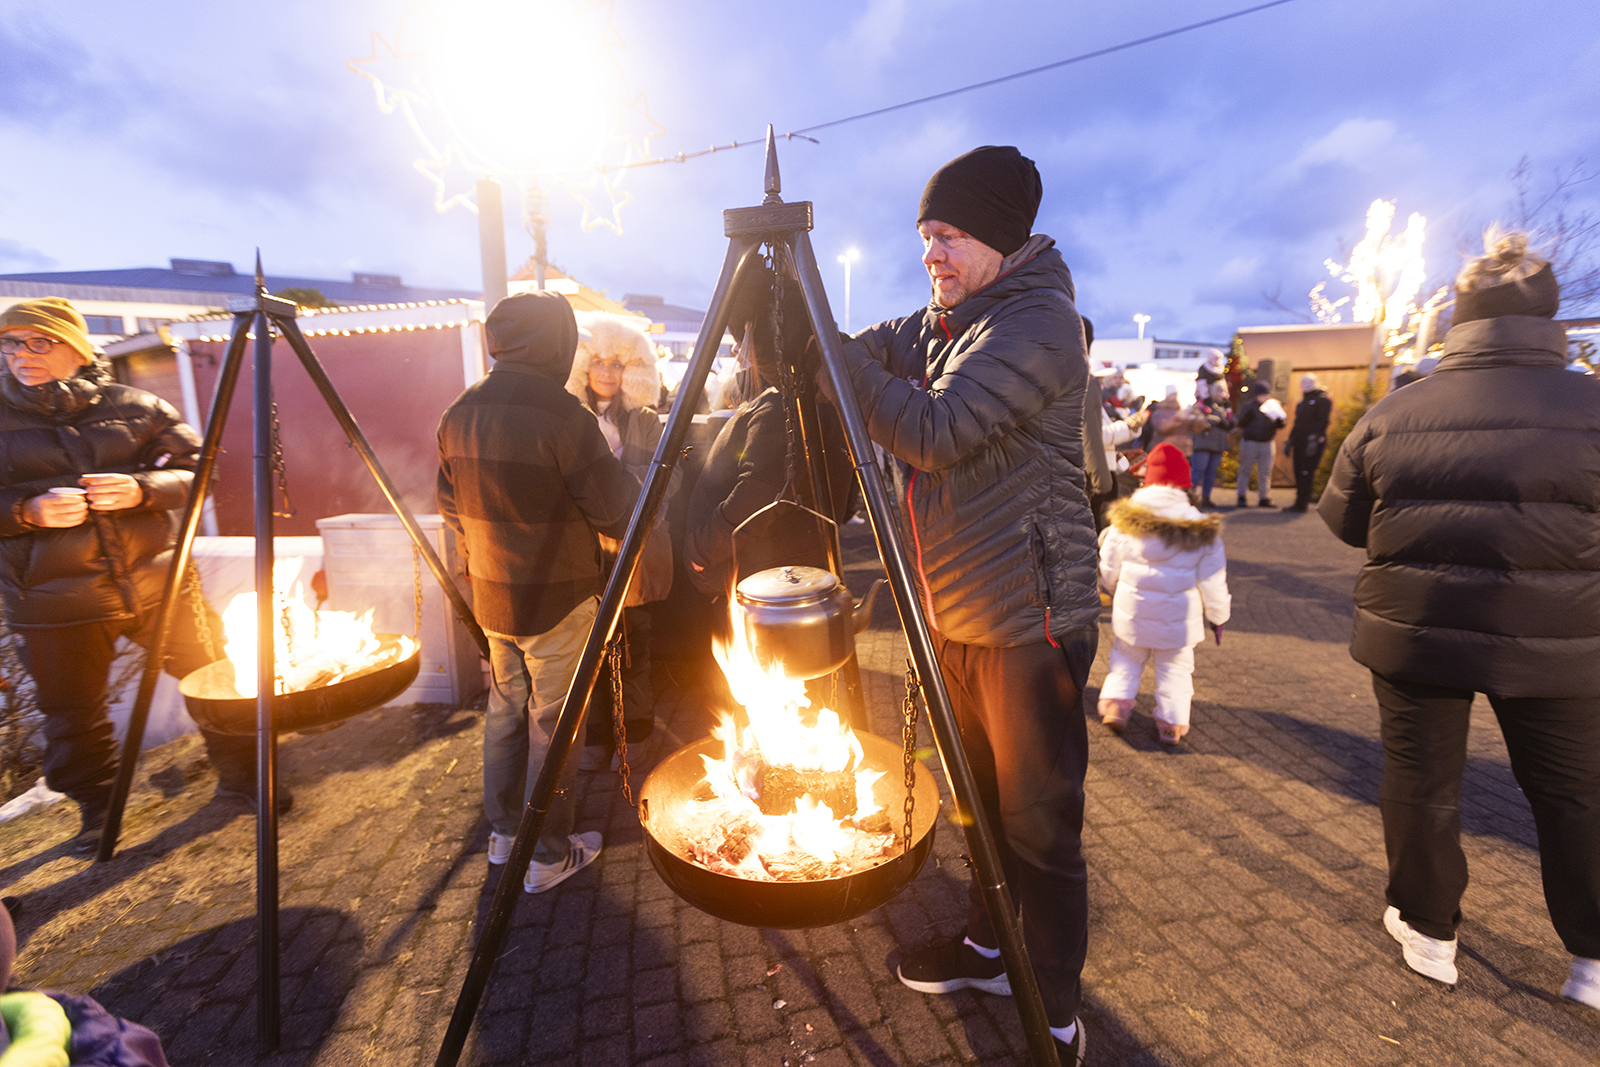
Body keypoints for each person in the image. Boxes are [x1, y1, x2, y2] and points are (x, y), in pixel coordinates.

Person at [827, 145, 1099, 1064]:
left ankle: (1056, 1011)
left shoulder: (1040, 324)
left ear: (997, 236)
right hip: (954, 615)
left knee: (1041, 826)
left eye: (947, 234)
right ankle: (989, 950)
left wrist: (830, 354)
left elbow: (934, 433)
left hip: (1030, 622)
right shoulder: (949, 319)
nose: (931, 253)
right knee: (979, 806)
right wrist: (820, 337)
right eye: (924, 237)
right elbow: (865, 353)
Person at [1318, 229, 1600, 1008]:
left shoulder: (1393, 412)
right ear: (1552, 318)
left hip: (1418, 628)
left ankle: (1429, 930)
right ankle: (1592, 957)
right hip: (1565, 642)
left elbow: (1345, 520)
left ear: (1458, 317)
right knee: (1577, 793)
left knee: (1420, 782)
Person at [0, 298, 261, 856]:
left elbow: (203, 469)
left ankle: (245, 778)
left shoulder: (137, 406)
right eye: (10, 343)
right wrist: (26, 511)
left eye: (37, 341)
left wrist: (146, 489)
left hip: (157, 583)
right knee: (72, 715)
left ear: (76, 346)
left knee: (215, 675)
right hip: (50, 600)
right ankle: (98, 810)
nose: (21, 354)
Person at [437, 291, 639, 894]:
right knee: (554, 724)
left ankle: (505, 835)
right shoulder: (564, 416)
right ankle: (548, 854)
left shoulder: (458, 412)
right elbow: (613, 512)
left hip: (494, 600)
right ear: (555, 342)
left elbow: (450, 508)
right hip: (558, 599)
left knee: (504, 711)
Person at [564, 318, 675, 771]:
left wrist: (641, 518)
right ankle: (592, 738)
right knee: (586, 647)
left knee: (634, 644)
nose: (607, 371)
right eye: (599, 362)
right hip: (583, 549)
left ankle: (635, 736)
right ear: (584, 366)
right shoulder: (570, 418)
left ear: (632, 368)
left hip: (634, 545)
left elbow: (665, 477)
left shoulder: (645, 421)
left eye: (617, 363)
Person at [1096, 443, 1231, 745]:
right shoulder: (1200, 528)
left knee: (1126, 660)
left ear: (1148, 480)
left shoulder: (1124, 523)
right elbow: (1213, 582)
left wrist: (1118, 592)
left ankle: (1116, 707)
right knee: (1176, 669)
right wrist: (1218, 616)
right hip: (1179, 620)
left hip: (1134, 611)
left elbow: (1108, 567)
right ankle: (1171, 722)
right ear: (1186, 483)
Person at [1234, 380, 1285, 508]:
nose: (1265, 397)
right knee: (1245, 469)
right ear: (1256, 395)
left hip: (1267, 442)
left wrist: (1280, 422)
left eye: (1267, 394)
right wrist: (1246, 419)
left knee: (1265, 471)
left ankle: (1264, 497)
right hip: (1250, 442)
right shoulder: (1249, 406)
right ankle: (1241, 496)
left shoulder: (1272, 406)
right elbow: (1240, 423)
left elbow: (1281, 422)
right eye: (1262, 395)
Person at [1285, 373, 1332, 512]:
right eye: (1303, 383)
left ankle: (1302, 503)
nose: (1305, 385)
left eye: (1309, 382)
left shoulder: (1322, 400)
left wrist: (1315, 439)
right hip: (1299, 442)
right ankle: (1299, 502)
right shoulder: (1302, 402)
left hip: (1311, 443)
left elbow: (1323, 422)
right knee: (1298, 472)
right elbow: (1297, 423)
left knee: (1306, 473)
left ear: (1316, 383)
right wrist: (1290, 440)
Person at [1189, 381, 1235, 509]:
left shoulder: (1224, 408)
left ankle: (1206, 497)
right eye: (1219, 391)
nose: (1221, 394)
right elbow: (1195, 418)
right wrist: (1216, 420)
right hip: (1203, 443)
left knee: (1211, 472)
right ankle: (1190, 496)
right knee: (1198, 470)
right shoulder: (1201, 405)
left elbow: (1231, 422)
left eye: (1223, 391)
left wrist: (1228, 422)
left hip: (1218, 444)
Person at [1148, 383, 1209, 458]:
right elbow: (1161, 428)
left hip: (1184, 451)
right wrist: (1177, 418)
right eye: (1172, 394)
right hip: (1166, 450)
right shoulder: (1159, 412)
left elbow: (1194, 429)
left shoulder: (1181, 411)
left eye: (1175, 394)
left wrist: (1199, 419)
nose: (1174, 397)